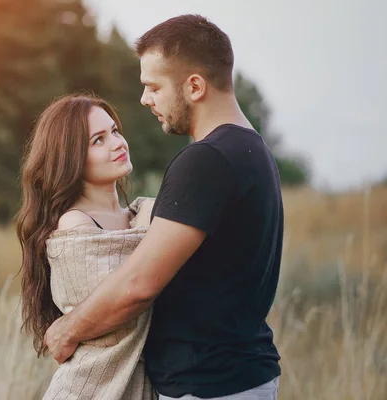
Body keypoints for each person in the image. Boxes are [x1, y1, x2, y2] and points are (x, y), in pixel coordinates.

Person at [43, 14, 283, 400]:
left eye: (153, 87)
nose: (144, 99)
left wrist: (67, 329)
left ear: (194, 86)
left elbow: (139, 285)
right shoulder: (252, 149)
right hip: (238, 377)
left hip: (210, 385)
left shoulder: (206, 160)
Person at [15, 93, 157, 399]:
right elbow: (126, 303)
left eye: (115, 132)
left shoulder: (139, 215)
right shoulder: (74, 226)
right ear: (71, 158)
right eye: (99, 140)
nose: (118, 143)